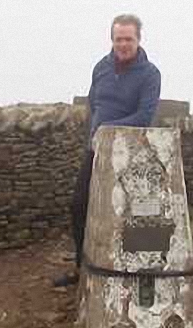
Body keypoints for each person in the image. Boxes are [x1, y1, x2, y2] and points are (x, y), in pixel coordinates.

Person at [54, 14, 161, 287]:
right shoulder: (101, 68)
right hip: (96, 150)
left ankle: (130, 275)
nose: (123, 44)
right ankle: (82, 268)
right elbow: (94, 105)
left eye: (129, 39)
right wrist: (94, 133)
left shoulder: (150, 74)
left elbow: (145, 116)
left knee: (130, 213)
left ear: (139, 40)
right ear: (111, 40)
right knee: (79, 205)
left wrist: (108, 127)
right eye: (118, 39)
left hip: (130, 153)